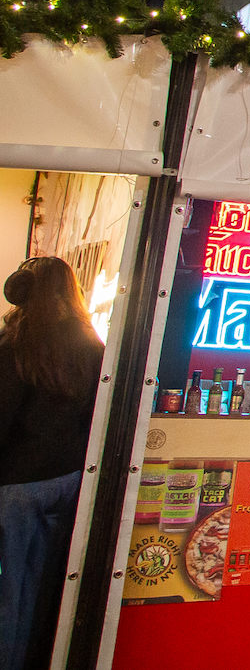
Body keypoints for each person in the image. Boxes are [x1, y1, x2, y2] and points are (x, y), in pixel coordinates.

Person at [0, 258, 104, 670]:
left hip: (19, 484)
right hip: (71, 480)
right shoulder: (92, 345)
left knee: (11, 590)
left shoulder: (15, 346)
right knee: (51, 586)